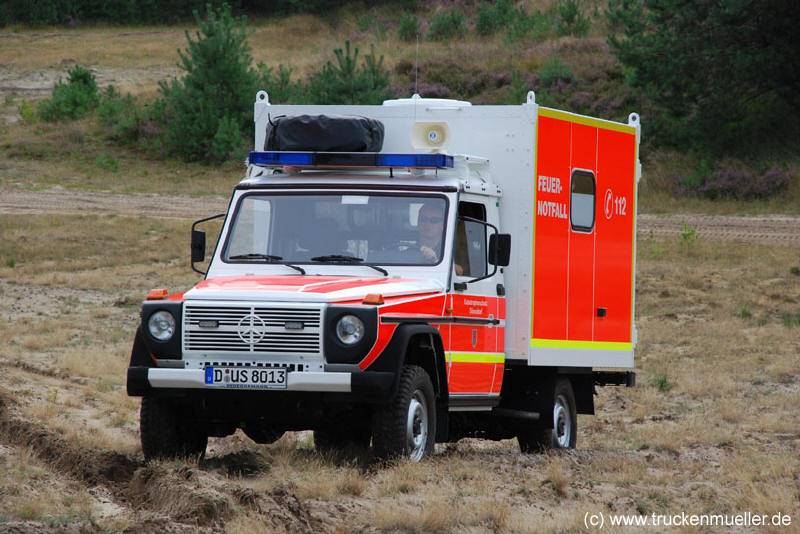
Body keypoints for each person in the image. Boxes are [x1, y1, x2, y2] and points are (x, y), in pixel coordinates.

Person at [417, 202, 464, 275]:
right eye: (423, 219)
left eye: (434, 221)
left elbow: (460, 272)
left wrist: (435, 260)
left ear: (443, 224)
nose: (427, 224)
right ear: (418, 223)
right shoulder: (405, 247)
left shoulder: (451, 248)